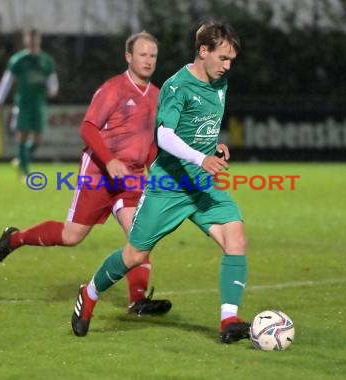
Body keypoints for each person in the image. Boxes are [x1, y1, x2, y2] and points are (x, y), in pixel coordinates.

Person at [71, 20, 250, 344]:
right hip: (169, 185)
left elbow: (199, 128)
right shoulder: (176, 86)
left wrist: (215, 147)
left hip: (203, 184)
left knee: (235, 238)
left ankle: (229, 321)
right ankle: (90, 292)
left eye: (231, 61)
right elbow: (165, 136)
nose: (227, 66)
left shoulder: (220, 84)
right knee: (135, 255)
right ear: (203, 51)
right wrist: (200, 157)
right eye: (223, 58)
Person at [0, 31, 172, 316]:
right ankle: (14, 238)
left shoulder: (158, 97)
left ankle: (137, 300)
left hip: (131, 178)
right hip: (99, 171)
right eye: (142, 54)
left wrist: (156, 172)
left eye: (153, 55)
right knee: (72, 236)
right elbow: (88, 128)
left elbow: (149, 144)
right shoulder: (113, 89)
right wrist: (109, 161)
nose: (148, 60)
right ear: (129, 56)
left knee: (141, 237)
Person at [0, 29, 58, 177]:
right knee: (23, 134)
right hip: (23, 103)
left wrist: (53, 89)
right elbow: (6, 82)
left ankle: (20, 159)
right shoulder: (18, 60)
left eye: (35, 39)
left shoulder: (46, 60)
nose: (33, 42)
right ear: (26, 41)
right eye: (30, 39)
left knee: (38, 139)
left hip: (39, 103)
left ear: (39, 40)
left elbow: (52, 80)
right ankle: (25, 171)